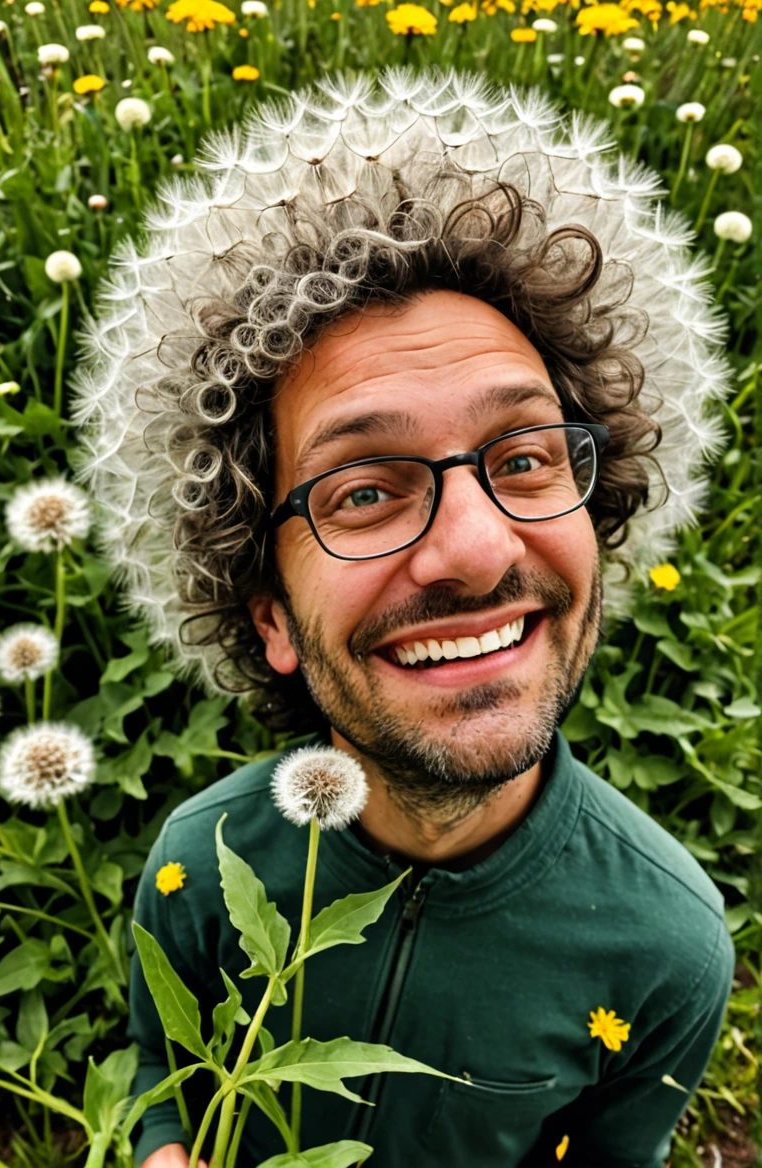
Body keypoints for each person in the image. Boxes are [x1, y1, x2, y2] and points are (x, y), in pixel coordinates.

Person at [72, 67, 737, 1168]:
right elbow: (162, 1071)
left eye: (524, 458)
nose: (477, 549)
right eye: (364, 489)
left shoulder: (666, 942)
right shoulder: (200, 857)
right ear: (270, 614)